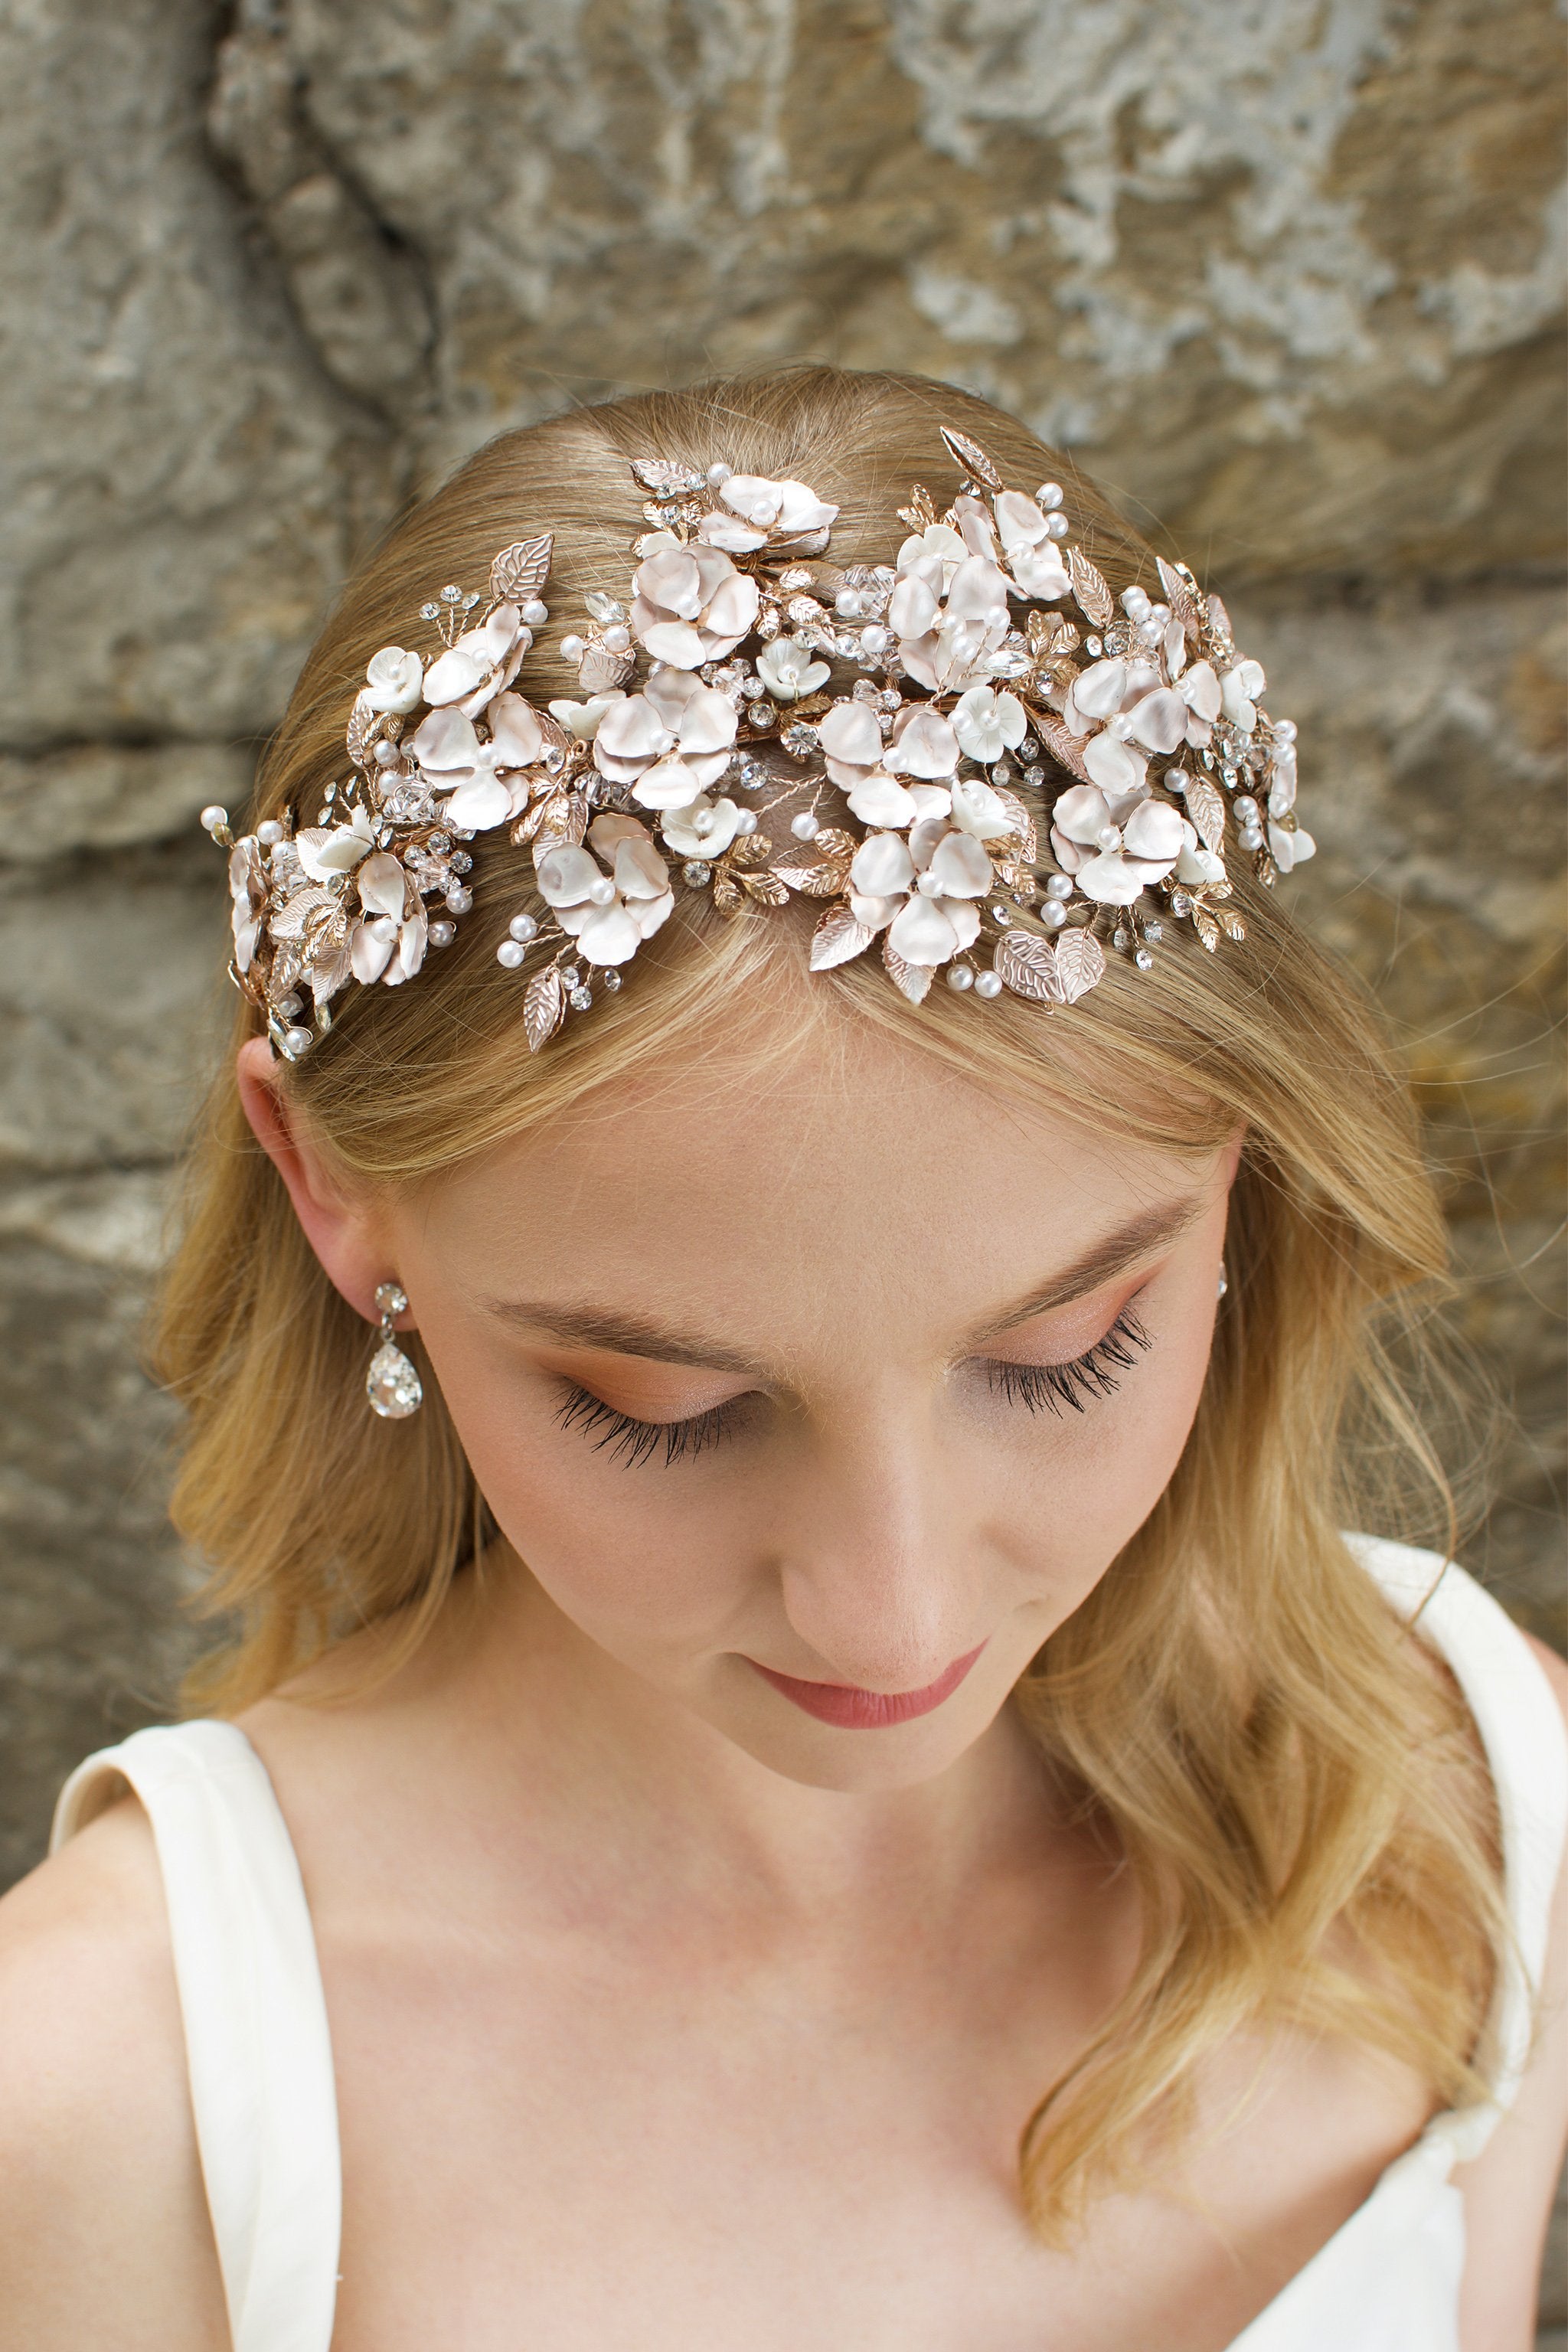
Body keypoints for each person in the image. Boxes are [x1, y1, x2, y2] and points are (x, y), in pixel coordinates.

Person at [0, 366, 1561, 2352]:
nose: (891, 1601)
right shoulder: (103, 2109)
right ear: (331, 1193)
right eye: (668, 1408)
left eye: (1075, 1350)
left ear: (1237, 1176)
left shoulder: (1450, 1803)